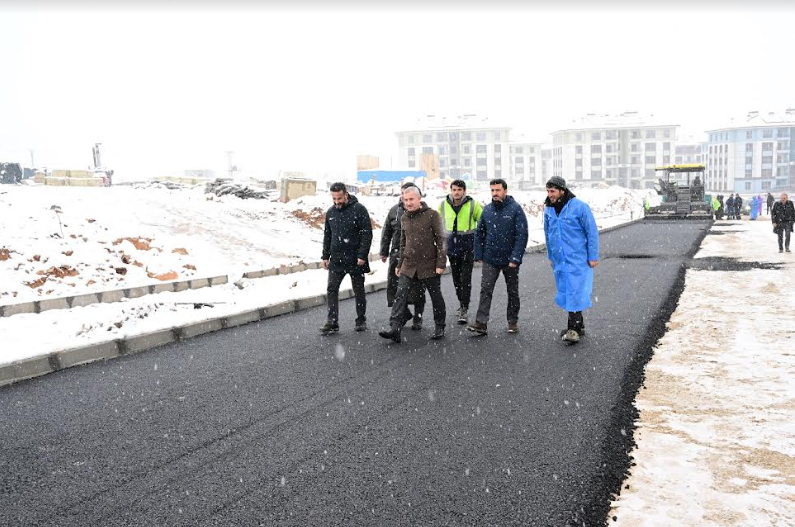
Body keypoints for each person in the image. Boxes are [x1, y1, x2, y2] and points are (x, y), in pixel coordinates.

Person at [379, 185, 447, 342]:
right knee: (400, 295)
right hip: (408, 265)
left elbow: (441, 240)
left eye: (411, 199)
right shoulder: (404, 218)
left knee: (435, 296)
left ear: (419, 198)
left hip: (428, 264)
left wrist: (441, 263)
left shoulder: (432, 215)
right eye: (405, 199)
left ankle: (440, 326)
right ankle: (395, 328)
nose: (408, 203)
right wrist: (399, 264)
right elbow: (404, 243)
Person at [467, 179, 528, 335]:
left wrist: (516, 257)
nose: (495, 193)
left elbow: (522, 235)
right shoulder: (487, 210)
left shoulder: (515, 209)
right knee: (485, 290)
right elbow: (479, 233)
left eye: (498, 190)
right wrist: (479, 254)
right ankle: (481, 323)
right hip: (490, 258)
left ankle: (512, 321)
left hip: (510, 260)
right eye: (492, 190)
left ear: (505, 191)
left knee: (512, 291)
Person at [542, 176, 599, 343]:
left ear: (562, 190)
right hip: (560, 259)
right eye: (548, 191)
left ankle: (573, 329)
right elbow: (547, 234)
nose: (550, 194)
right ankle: (578, 325)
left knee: (576, 290)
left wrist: (593, 256)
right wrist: (551, 256)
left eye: (552, 191)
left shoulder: (579, 207)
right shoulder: (549, 209)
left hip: (578, 258)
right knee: (568, 291)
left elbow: (591, 232)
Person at [320, 182, 373, 335]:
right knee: (332, 289)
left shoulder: (359, 209)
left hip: (356, 259)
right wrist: (325, 255)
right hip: (336, 259)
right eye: (334, 199)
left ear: (346, 195)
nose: (337, 202)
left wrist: (362, 254)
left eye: (339, 198)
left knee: (359, 290)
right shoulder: (330, 212)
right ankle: (332, 321)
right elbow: (327, 235)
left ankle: (361, 320)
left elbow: (366, 233)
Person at [380, 182, 426, 330]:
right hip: (397, 255)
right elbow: (386, 231)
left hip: (417, 256)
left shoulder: (424, 212)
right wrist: (383, 251)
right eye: (402, 194)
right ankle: (403, 314)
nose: (404, 198)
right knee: (396, 288)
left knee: (418, 289)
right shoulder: (394, 211)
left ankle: (418, 317)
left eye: (408, 195)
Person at [438, 179, 483, 324]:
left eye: (459, 190)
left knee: (465, 279)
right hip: (451, 248)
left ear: (464, 191)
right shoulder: (443, 205)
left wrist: (478, 242)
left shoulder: (473, 204)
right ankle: (461, 302)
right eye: (454, 190)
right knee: (456, 279)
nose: (456, 192)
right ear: (451, 191)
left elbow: (482, 223)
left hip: (468, 248)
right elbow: (437, 224)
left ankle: (464, 308)